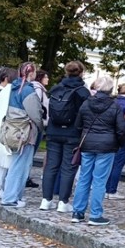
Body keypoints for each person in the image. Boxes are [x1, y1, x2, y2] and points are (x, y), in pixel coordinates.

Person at [71, 76, 125, 225]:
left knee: (84, 178)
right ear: (110, 89)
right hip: (107, 146)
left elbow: (78, 125)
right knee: (99, 181)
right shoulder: (115, 106)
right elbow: (121, 129)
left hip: (87, 143)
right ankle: (95, 214)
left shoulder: (86, 103)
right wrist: (120, 143)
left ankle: (77, 212)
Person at [40, 61, 89, 212]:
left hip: (53, 131)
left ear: (66, 72)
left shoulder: (56, 88)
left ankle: (46, 200)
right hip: (72, 133)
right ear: (81, 73)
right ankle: (63, 202)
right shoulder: (83, 92)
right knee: (68, 168)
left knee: (51, 166)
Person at [0, 62, 44, 208]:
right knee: (20, 165)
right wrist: (41, 127)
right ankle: (10, 197)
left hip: (13, 130)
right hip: (24, 132)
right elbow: (35, 114)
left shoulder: (13, 88)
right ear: (31, 73)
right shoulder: (27, 90)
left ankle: (14, 196)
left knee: (18, 164)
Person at [105, 83, 125, 200]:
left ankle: (106, 188)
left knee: (109, 163)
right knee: (118, 165)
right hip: (122, 137)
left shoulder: (112, 102)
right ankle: (112, 190)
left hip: (109, 135)